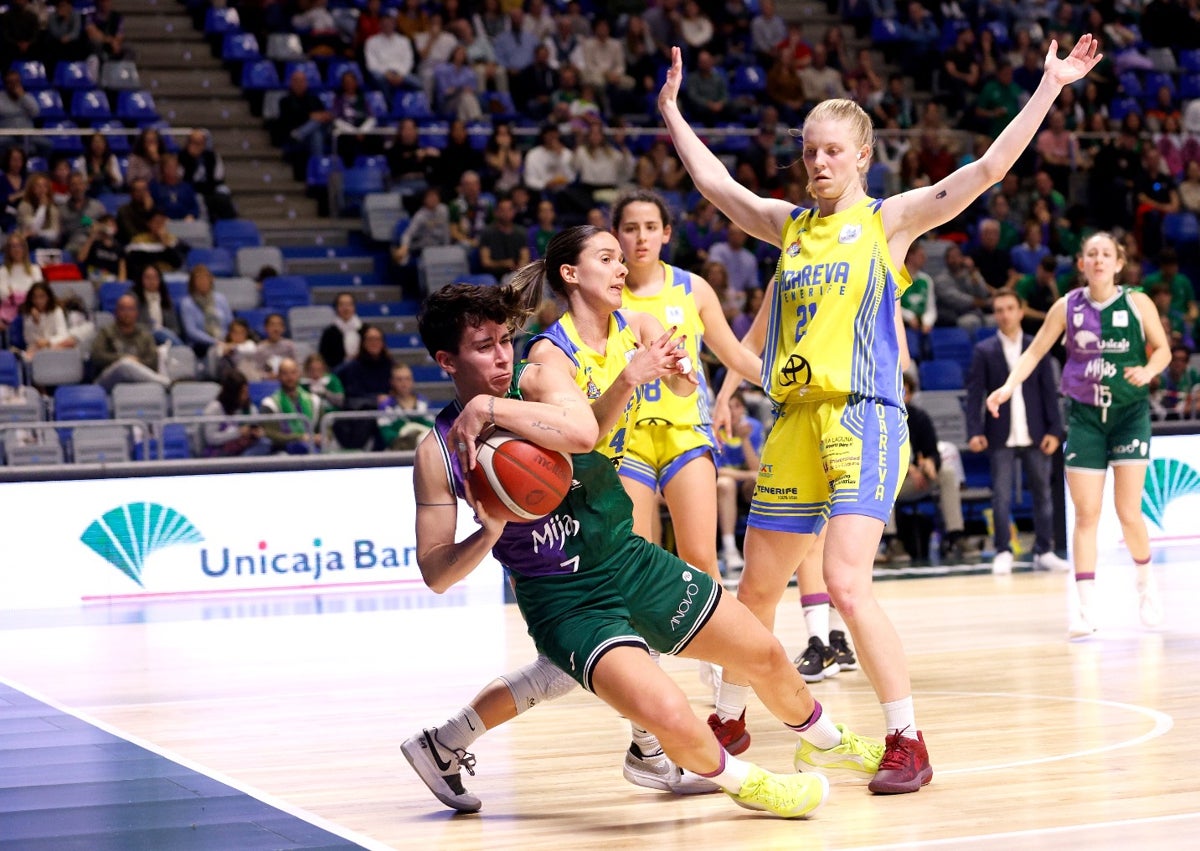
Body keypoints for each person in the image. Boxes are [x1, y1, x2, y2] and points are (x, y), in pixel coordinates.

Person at [661, 35, 1102, 793]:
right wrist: (671, 111)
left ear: (863, 156)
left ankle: (908, 738)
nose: (818, 163)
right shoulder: (791, 227)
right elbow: (719, 188)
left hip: (865, 416)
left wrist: (1050, 86)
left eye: (833, 151)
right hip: (795, 420)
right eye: (809, 151)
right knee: (757, 590)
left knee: (845, 579)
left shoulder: (889, 220)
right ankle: (729, 717)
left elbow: (989, 169)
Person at [403, 241, 882, 818]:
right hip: (569, 605)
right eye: (484, 348)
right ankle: (754, 787)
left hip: (627, 559)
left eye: (505, 340)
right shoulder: (435, 454)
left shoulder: (536, 379)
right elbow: (434, 572)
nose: (503, 357)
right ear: (446, 361)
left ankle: (828, 744)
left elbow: (583, 432)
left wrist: (492, 408)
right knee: (671, 714)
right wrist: (488, 533)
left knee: (765, 654)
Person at [987, 232, 1171, 638]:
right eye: (1092, 254)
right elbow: (1034, 353)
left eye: (1106, 253)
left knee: (1128, 513)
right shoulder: (1066, 306)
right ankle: (1086, 610)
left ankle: (1146, 585)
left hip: (1129, 414)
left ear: (1119, 263)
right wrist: (1007, 386)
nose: (1099, 259)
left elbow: (1163, 350)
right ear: (1082, 263)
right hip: (1086, 417)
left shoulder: (1138, 302)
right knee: (1086, 514)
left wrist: (1149, 370)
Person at [611, 189, 762, 605]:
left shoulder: (692, 288)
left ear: (666, 233)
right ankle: (647, 658)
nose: (641, 237)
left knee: (700, 559)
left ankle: (724, 660)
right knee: (636, 559)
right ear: (615, 236)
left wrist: (780, 382)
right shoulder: (606, 296)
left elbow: (733, 353)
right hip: (628, 439)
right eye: (630, 228)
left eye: (650, 228)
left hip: (687, 433)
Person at [966, 289, 1068, 575]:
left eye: (1010, 308)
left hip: (1035, 431)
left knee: (1043, 494)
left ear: (1020, 311)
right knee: (1000, 495)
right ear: (994, 314)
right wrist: (974, 430)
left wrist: (1055, 430)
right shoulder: (983, 351)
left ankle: (1045, 550)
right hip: (1000, 433)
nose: (1005, 314)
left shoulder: (1036, 345)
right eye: (999, 309)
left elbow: (1050, 392)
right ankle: (1002, 550)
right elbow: (975, 395)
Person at [90, 294, 171, 392]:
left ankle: (163, 384)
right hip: (108, 380)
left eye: (130, 309)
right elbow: (96, 356)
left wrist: (137, 362)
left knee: (162, 353)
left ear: (136, 312)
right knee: (125, 364)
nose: (126, 313)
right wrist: (123, 358)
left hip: (139, 377)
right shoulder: (106, 332)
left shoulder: (144, 335)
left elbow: (153, 361)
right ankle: (167, 384)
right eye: (123, 309)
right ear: (116, 312)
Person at [202, 369, 272, 457]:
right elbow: (211, 439)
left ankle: (243, 463)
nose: (246, 396)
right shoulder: (215, 408)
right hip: (222, 450)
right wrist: (238, 433)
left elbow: (255, 424)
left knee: (265, 443)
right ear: (232, 393)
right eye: (242, 392)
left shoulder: (248, 406)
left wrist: (258, 432)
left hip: (243, 447)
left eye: (247, 392)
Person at [259, 357, 321, 454]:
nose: (290, 377)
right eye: (285, 373)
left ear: (299, 374)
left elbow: (326, 428)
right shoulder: (270, 404)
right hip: (282, 450)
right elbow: (270, 433)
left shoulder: (314, 400)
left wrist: (321, 437)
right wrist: (299, 438)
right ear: (278, 376)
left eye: (293, 372)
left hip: (313, 446)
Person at [178, 264, 233, 358]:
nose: (203, 282)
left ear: (211, 280)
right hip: (201, 345)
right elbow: (191, 331)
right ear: (193, 283)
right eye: (199, 279)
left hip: (224, 340)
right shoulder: (187, 303)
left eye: (205, 278)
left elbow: (230, 322)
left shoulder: (221, 299)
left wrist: (228, 340)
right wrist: (215, 342)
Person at [377, 362, 433, 449]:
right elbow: (386, 433)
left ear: (412, 381)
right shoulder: (386, 406)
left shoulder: (423, 402)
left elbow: (431, 426)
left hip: (424, 447)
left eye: (407, 379)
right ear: (392, 382)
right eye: (399, 379)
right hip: (397, 450)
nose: (404, 383)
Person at [130, 264, 184, 346]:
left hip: (165, 342)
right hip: (142, 341)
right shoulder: (133, 299)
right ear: (141, 279)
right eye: (148, 278)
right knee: (159, 332)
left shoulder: (166, 299)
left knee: (163, 333)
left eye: (155, 277)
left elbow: (176, 329)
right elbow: (132, 326)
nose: (152, 281)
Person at [15, 281, 75, 356]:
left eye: (42, 297)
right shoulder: (28, 314)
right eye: (35, 297)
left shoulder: (57, 311)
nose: (38, 301)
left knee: (70, 342)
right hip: (36, 348)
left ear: (48, 297)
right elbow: (28, 340)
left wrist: (48, 341)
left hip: (54, 345)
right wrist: (35, 322)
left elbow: (63, 334)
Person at [318, 291, 363, 370]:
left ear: (354, 307)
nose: (346, 308)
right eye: (342, 305)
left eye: (349, 304)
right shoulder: (329, 333)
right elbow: (323, 358)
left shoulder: (364, 330)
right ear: (336, 308)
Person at [252, 312, 298, 379]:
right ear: (266, 328)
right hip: (267, 384)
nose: (276, 329)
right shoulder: (259, 349)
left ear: (283, 328)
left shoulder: (289, 346)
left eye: (279, 325)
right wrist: (268, 376)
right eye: (272, 325)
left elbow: (296, 367)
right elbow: (256, 371)